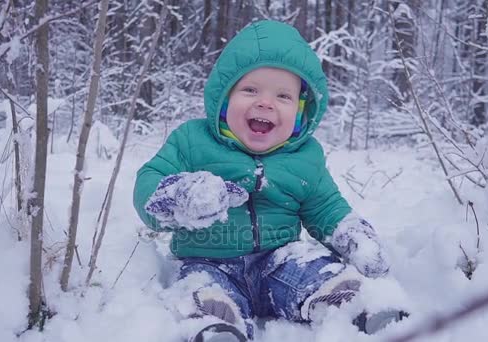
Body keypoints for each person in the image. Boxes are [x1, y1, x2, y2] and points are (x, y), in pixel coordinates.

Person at [134, 20, 406, 342]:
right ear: (224, 99)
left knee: (318, 270)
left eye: (283, 96)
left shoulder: (305, 156)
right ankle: (218, 328)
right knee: (201, 291)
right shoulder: (191, 141)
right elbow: (148, 183)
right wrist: (180, 196)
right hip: (208, 260)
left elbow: (324, 205)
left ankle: (359, 309)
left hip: (280, 260)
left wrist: (350, 234)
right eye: (250, 90)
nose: (265, 103)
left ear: (301, 112)